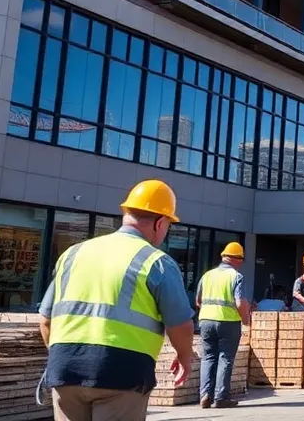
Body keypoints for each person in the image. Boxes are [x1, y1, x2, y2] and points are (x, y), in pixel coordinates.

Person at [38, 179, 194, 421]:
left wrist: (66, 355)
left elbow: (46, 319)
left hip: (65, 368)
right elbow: (180, 324)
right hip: (121, 371)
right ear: (160, 222)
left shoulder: (73, 254)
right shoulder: (156, 261)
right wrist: (185, 356)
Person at [195, 242, 251, 409]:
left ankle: (205, 394)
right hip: (228, 322)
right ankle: (221, 397)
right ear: (236, 259)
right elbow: (240, 302)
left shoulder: (207, 275)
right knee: (225, 358)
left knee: (208, 357)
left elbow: (198, 301)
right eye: (241, 259)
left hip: (205, 320)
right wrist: (246, 319)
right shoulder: (236, 276)